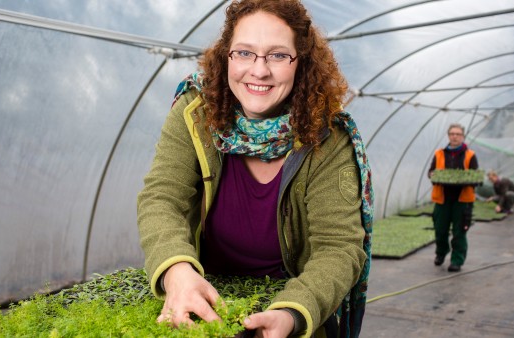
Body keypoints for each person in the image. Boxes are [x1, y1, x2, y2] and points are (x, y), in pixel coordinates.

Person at [136, 1, 374, 337]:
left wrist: (292, 313)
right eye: (245, 53)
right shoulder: (195, 111)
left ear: (301, 63)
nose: (259, 71)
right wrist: (177, 269)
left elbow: (338, 247)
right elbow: (162, 196)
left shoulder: (327, 138)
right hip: (204, 293)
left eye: (278, 55)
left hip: (288, 297)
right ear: (226, 56)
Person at [428, 123, 478, 273]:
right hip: (442, 199)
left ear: (463, 136)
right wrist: (433, 175)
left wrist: (465, 179)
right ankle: (441, 253)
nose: (455, 136)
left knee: (459, 232)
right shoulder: (439, 154)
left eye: (458, 134)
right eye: (452, 134)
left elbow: (474, 176)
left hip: (462, 201)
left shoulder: (470, 155)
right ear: (448, 136)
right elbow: (431, 172)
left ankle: (457, 260)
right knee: (440, 230)